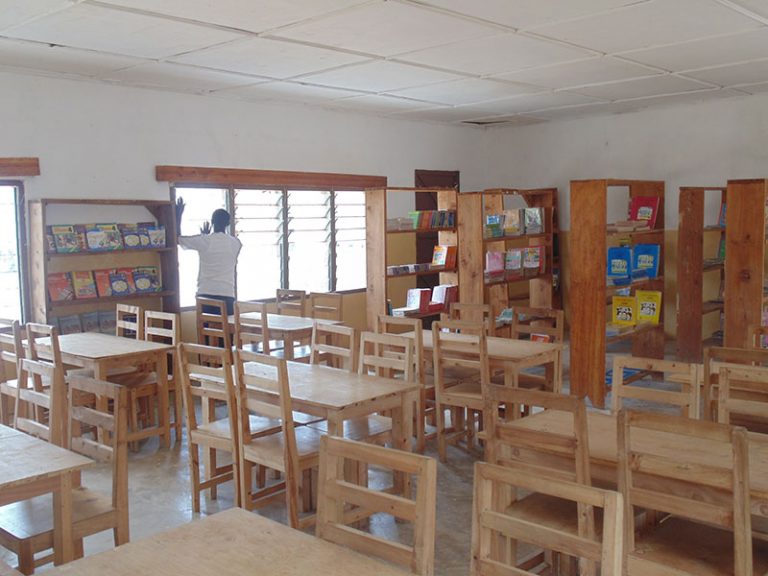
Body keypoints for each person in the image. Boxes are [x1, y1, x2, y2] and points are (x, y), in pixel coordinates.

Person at [176, 198, 241, 315]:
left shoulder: (205, 241)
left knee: (205, 331)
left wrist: (178, 216)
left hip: (205, 294)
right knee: (227, 332)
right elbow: (219, 251)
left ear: (212, 221)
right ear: (228, 224)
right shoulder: (236, 243)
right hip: (227, 294)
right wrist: (205, 237)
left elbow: (178, 239)